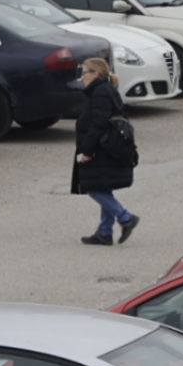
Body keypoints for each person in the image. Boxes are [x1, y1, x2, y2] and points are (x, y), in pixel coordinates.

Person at [71, 56, 138, 246]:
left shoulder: (100, 92)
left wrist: (88, 150)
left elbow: (99, 123)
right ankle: (104, 232)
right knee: (103, 186)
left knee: (93, 188)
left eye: (84, 73)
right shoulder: (105, 90)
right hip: (108, 147)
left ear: (96, 74)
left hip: (102, 148)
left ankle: (126, 217)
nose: (82, 77)